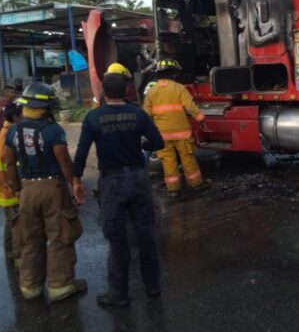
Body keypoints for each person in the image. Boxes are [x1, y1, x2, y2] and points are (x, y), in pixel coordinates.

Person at [73, 66, 164, 307]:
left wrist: (76, 180)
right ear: (126, 89)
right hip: (138, 178)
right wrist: (141, 143)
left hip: (111, 182)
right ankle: (153, 287)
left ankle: (119, 295)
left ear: (103, 90)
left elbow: (81, 153)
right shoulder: (138, 114)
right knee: (146, 234)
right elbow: (157, 142)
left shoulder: (93, 118)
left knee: (117, 238)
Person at [3, 82, 87, 302]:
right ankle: (60, 286)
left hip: (28, 189)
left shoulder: (12, 131)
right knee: (60, 237)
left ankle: (30, 287)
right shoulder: (53, 131)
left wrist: (18, 189)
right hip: (53, 189)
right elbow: (64, 163)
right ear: (47, 107)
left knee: (30, 240)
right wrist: (75, 184)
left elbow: (9, 164)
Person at [142, 59, 209, 197]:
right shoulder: (179, 88)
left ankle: (173, 189)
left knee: (168, 161)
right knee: (187, 158)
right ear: (173, 73)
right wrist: (201, 119)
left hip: (162, 136)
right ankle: (196, 184)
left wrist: (147, 132)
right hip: (182, 134)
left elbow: (146, 115)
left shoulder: (151, 92)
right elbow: (190, 107)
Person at [0, 103, 23, 267]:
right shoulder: (10, 134)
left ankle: (10, 254)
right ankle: (19, 258)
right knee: (17, 223)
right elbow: (11, 164)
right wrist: (18, 186)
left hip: (3, 185)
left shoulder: (6, 130)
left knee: (10, 223)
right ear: (16, 117)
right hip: (8, 187)